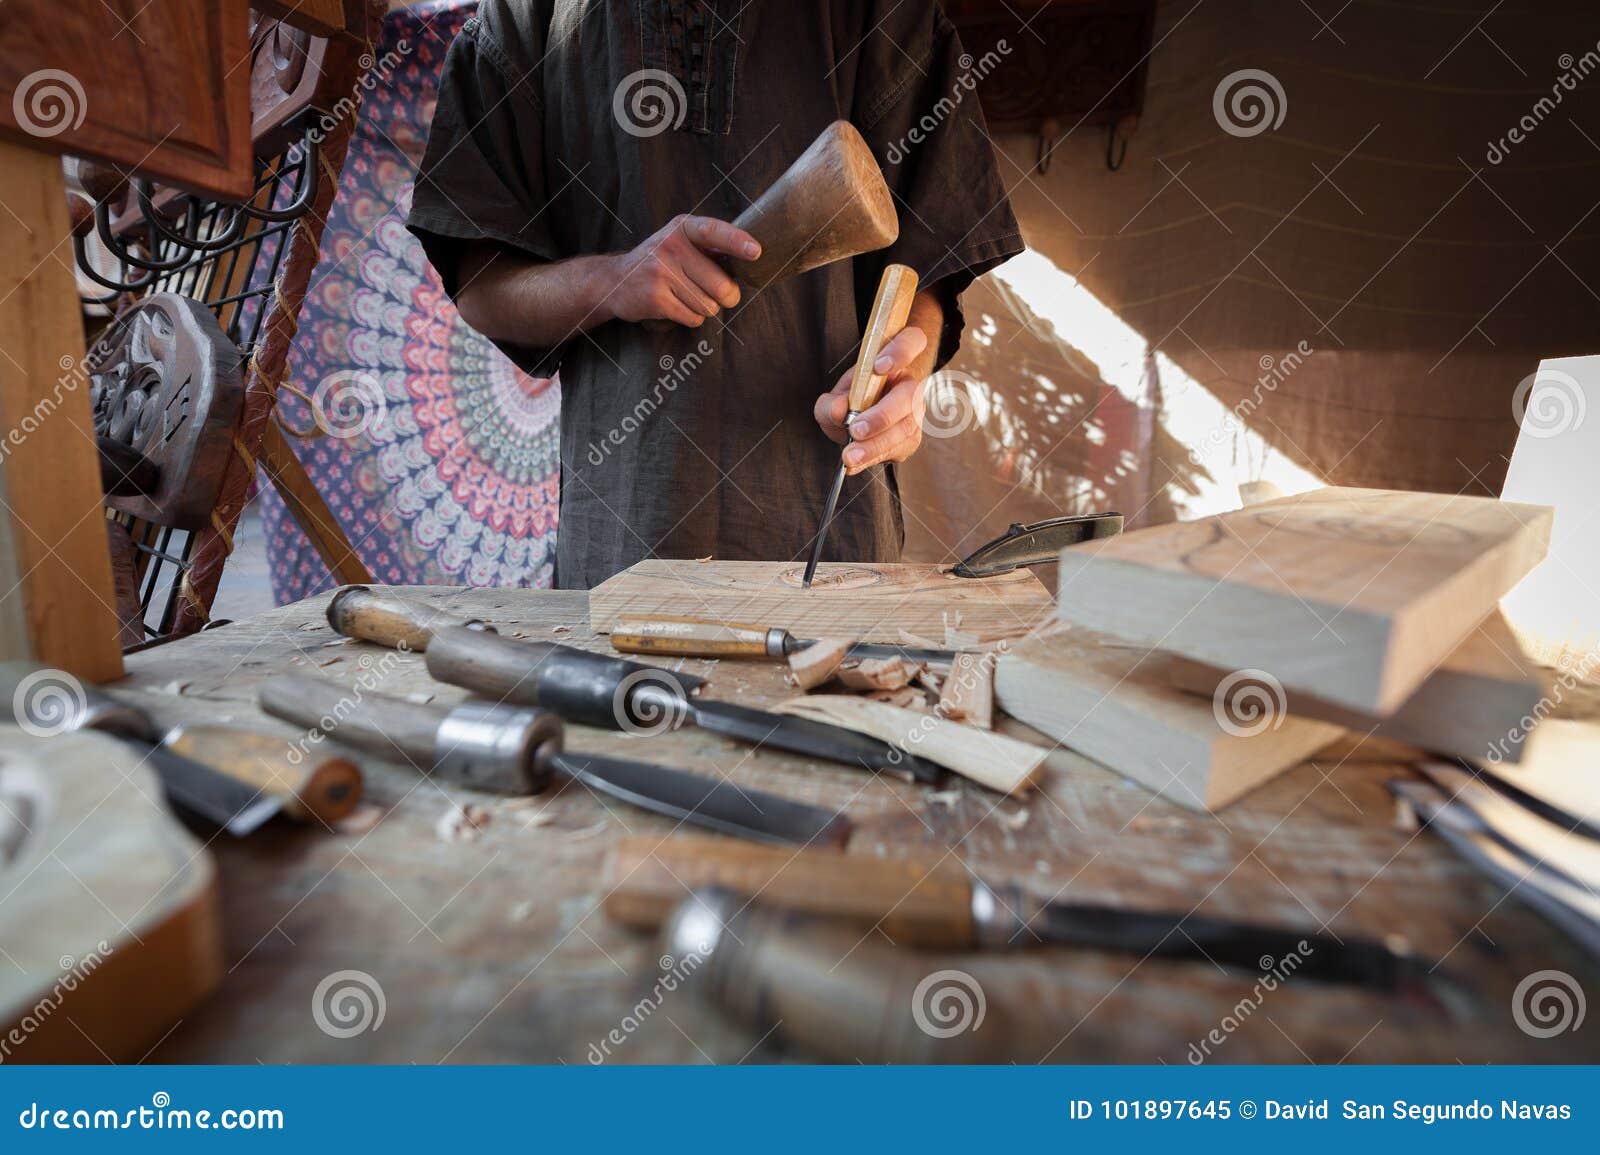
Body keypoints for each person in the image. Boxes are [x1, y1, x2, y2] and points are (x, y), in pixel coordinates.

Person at [407, 0, 1023, 589]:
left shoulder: (882, 10)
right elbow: (482, 287)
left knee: (833, 698)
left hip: (829, 534)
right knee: (623, 697)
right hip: (626, 535)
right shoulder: (528, 15)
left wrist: (901, 376)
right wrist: (611, 280)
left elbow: (928, 267)